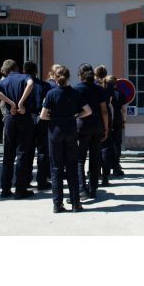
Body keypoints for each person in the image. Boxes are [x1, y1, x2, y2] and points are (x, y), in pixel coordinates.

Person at [40, 65, 92, 213]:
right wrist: (76, 116)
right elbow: (88, 111)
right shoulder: (75, 93)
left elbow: (43, 115)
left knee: (56, 168)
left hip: (55, 132)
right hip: (70, 130)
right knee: (72, 167)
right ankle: (76, 203)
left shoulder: (51, 94)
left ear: (55, 77)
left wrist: (54, 118)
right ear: (68, 77)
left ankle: (57, 204)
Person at [0, 59, 35, 199]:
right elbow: (31, 83)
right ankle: (20, 189)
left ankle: (5, 188)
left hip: (10, 118)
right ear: (16, 67)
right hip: (23, 117)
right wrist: (21, 102)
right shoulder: (24, 77)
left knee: (8, 154)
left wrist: (11, 103)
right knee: (22, 153)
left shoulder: (4, 81)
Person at [75, 64, 109, 199]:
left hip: (82, 127)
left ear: (80, 75)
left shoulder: (76, 89)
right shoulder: (99, 89)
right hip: (97, 126)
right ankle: (93, 188)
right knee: (94, 158)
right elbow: (104, 111)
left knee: (79, 159)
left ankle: (82, 189)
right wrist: (106, 129)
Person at [23, 60, 52, 190]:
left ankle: (26, 179)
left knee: (27, 151)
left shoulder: (22, 84)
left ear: (24, 71)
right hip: (41, 119)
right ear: (36, 71)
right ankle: (41, 180)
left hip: (27, 119)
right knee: (42, 151)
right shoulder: (45, 85)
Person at [105, 75, 127, 177]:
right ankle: (116, 166)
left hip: (107, 121)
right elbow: (124, 110)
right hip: (117, 120)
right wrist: (124, 121)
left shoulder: (103, 93)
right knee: (117, 143)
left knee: (106, 144)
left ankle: (107, 165)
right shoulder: (120, 94)